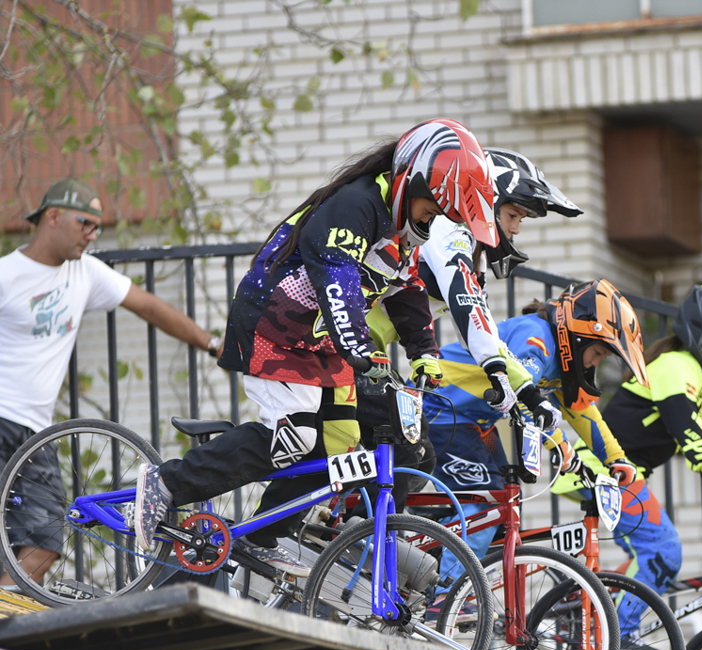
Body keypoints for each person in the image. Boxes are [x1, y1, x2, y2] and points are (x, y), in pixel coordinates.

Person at [133, 119, 499, 575]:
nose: (435, 219)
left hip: (325, 341)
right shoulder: (356, 205)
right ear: (413, 178)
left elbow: (406, 291)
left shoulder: (403, 228)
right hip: (276, 325)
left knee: (339, 455)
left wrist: (425, 353)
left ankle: (265, 534)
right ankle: (166, 483)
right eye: (434, 206)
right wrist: (359, 348)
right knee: (295, 438)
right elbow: (337, 278)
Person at [0, 179, 221, 587]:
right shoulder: (6, 275)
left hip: (33, 433)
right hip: (1, 418)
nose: (93, 234)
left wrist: (211, 343)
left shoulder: (86, 272)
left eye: (98, 227)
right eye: (85, 223)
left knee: (45, 541)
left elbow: (150, 306)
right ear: (52, 217)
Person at [553, 281, 702, 650]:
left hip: (618, 477)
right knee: (663, 550)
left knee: (648, 554)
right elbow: (688, 432)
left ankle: (580, 613)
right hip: (599, 472)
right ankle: (614, 635)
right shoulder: (676, 366)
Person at [423, 279, 648, 614]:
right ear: (580, 336)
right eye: (598, 353)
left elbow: (583, 412)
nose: (594, 364)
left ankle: (432, 551)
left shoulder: (562, 361)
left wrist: (616, 459)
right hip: (442, 412)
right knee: (490, 505)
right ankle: (446, 598)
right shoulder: (537, 339)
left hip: (472, 422)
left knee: (504, 506)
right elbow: (522, 396)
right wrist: (560, 446)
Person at [368, 146, 583, 433]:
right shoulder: (448, 228)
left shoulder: (474, 255)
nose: (516, 229)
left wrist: (530, 395)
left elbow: (484, 332)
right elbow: (465, 304)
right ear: (487, 203)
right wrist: (496, 370)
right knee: (391, 445)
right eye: (513, 216)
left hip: (368, 346)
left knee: (406, 449)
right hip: (344, 341)